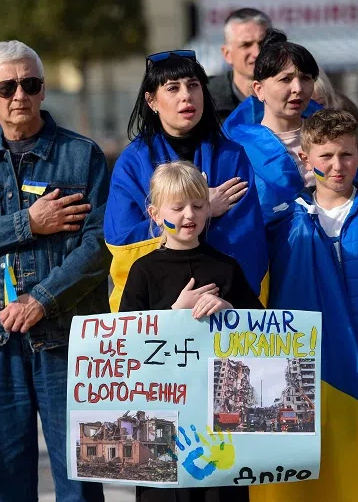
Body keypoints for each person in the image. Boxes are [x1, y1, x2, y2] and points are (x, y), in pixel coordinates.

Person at [0, 40, 109, 502]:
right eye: (7, 86)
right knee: (6, 477)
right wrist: (25, 223)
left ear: (43, 89)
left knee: (80, 475)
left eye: (30, 84)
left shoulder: (82, 157)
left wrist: (43, 299)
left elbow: (99, 246)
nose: (20, 96)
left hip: (67, 340)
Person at [119, 160, 257, 502]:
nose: (188, 216)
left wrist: (231, 313)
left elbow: (263, 336)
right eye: (177, 207)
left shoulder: (226, 267)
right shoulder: (143, 271)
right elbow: (124, 344)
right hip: (160, 414)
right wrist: (174, 313)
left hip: (219, 421)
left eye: (197, 205)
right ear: (154, 213)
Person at [274, 108, 358, 414]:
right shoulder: (285, 218)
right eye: (326, 156)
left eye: (346, 155)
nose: (337, 166)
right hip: (305, 372)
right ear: (305, 159)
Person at [105, 49, 267, 311]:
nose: (186, 96)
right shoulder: (131, 162)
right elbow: (122, 240)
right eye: (172, 88)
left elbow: (248, 237)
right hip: (156, 303)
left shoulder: (232, 156)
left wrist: (224, 300)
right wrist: (205, 210)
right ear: (151, 100)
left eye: (193, 85)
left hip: (221, 300)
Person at [225, 29, 358, 221]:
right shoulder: (235, 150)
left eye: (305, 78)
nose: (298, 89)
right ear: (259, 89)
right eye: (285, 79)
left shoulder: (338, 136)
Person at [207, 7, 272, 120]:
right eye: (246, 45)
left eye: (263, 43)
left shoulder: (294, 94)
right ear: (227, 54)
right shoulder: (204, 100)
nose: (257, 53)